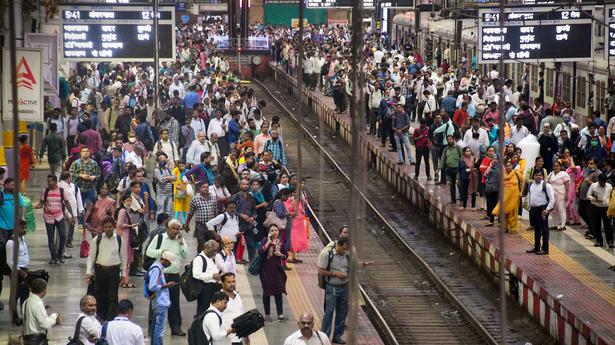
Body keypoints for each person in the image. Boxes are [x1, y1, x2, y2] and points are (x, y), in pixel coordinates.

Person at [145, 219, 189, 336]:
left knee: (174, 302)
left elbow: (186, 255)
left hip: (174, 276)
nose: (175, 231)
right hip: (159, 275)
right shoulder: (159, 238)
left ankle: (176, 327)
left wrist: (181, 243)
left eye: (178, 229)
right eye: (173, 228)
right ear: (168, 228)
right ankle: (152, 328)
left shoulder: (180, 240)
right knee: (155, 302)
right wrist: (161, 252)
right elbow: (149, 252)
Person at [86, 216, 127, 321]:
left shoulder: (118, 239)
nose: (108, 229)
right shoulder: (97, 240)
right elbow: (91, 257)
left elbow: (123, 256)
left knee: (113, 297)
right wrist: (89, 272)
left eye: (110, 227)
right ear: (103, 228)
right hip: (100, 271)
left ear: (113, 227)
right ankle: (101, 317)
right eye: (106, 227)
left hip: (114, 271)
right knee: (101, 295)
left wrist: (124, 274)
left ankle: (111, 319)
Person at [34, 174, 75, 265]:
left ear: (55, 181)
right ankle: (53, 257)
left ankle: (59, 255)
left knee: (63, 236)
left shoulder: (61, 191)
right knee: (51, 239)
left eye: (50, 181)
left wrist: (72, 215)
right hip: (48, 218)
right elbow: (41, 203)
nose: (48, 183)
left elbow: (67, 203)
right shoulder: (45, 191)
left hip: (59, 217)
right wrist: (35, 206)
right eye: (48, 181)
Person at [318, 237, 349, 344]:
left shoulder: (347, 255)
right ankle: (324, 337)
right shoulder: (327, 254)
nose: (345, 251)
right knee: (329, 312)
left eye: (346, 249)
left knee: (342, 313)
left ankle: (337, 336)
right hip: (332, 287)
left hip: (344, 287)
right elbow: (321, 271)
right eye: (344, 249)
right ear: (338, 246)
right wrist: (336, 274)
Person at [259, 224, 288, 322]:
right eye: (272, 230)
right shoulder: (265, 241)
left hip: (277, 270)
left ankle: (280, 314)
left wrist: (281, 255)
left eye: (276, 230)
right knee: (266, 291)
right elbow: (260, 251)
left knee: (278, 291)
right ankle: (267, 314)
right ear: (269, 232)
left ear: (279, 231)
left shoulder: (281, 243)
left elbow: (286, 256)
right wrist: (268, 242)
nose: (274, 232)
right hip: (265, 271)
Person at [147, 250, 178, 345]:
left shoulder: (157, 267)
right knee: (159, 329)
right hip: (160, 302)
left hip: (160, 302)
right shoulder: (157, 269)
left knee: (158, 327)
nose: (169, 265)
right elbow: (152, 286)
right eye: (169, 263)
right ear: (165, 260)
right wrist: (166, 285)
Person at [6, 220, 30, 325]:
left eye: (25, 228)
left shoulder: (22, 239)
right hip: (17, 272)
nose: (24, 230)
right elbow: (10, 261)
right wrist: (20, 272)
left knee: (25, 295)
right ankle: (14, 317)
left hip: (25, 270)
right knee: (15, 295)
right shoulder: (11, 242)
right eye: (22, 228)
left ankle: (25, 316)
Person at [22, 278, 61, 344]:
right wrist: (54, 316)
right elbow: (45, 324)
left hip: (27, 340)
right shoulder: (38, 303)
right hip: (37, 340)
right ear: (44, 290)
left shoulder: (25, 302)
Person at [526, 170, 555, 255]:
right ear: (533, 176)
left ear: (542, 176)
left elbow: (552, 199)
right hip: (533, 209)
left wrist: (547, 209)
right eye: (536, 175)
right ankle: (536, 247)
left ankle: (545, 249)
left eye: (540, 175)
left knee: (544, 229)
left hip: (543, 209)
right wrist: (529, 206)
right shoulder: (531, 184)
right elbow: (529, 195)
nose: (538, 177)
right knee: (536, 229)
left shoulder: (546, 185)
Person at [185, 181, 219, 252]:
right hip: (200, 226)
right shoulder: (195, 199)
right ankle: (200, 260)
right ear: (199, 189)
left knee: (211, 245)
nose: (206, 189)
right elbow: (190, 213)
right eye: (204, 187)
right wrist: (187, 224)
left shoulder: (213, 198)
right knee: (202, 245)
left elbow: (216, 212)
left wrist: (217, 226)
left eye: (207, 187)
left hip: (211, 226)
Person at [493, 160, 525, 233]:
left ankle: (513, 228)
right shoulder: (502, 174)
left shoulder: (516, 172)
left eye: (509, 165)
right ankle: (505, 227)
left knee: (513, 212)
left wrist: (521, 192)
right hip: (505, 196)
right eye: (507, 166)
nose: (508, 167)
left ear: (512, 166)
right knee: (504, 212)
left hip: (514, 196)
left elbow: (523, 181)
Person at [193, 239, 223, 316]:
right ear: (207, 248)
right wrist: (212, 276)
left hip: (213, 288)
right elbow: (196, 274)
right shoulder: (199, 259)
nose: (215, 253)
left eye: (216, 251)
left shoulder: (210, 258)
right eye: (214, 250)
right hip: (205, 288)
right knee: (203, 311)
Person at [220, 272, 250, 345]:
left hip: (238, 337)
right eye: (229, 282)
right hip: (226, 339)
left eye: (233, 281)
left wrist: (246, 334)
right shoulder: (219, 298)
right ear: (222, 283)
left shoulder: (236, 295)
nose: (232, 284)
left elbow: (242, 315)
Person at [587, 174, 614, 248]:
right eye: (601, 182)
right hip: (596, 207)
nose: (602, 184)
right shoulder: (593, 186)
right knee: (597, 225)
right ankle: (599, 241)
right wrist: (594, 199)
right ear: (598, 181)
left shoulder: (609, 186)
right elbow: (588, 195)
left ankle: (610, 242)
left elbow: (612, 196)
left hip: (606, 208)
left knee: (608, 226)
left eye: (604, 182)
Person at [58, 171, 84, 249]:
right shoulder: (59, 186)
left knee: (71, 227)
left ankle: (69, 240)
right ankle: (63, 243)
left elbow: (78, 199)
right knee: (63, 229)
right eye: (71, 177)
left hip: (73, 211)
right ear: (68, 177)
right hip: (63, 212)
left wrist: (80, 210)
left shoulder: (74, 187)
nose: (71, 178)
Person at [546, 161, 570, 231]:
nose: (556, 167)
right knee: (553, 210)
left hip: (561, 194)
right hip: (552, 194)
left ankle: (563, 225)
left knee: (561, 209)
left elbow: (567, 185)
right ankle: (554, 224)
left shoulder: (564, 174)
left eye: (557, 166)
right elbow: (547, 182)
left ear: (560, 167)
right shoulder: (551, 174)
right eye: (554, 166)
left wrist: (566, 195)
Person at [439, 135, 463, 204]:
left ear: (453, 139)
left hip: (457, 169)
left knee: (459, 184)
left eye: (450, 139)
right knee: (451, 185)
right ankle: (453, 200)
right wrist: (439, 169)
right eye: (448, 140)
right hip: (449, 169)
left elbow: (462, 158)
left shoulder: (458, 148)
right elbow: (443, 159)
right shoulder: (446, 149)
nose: (449, 141)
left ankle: (462, 199)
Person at [153, 152, 177, 216]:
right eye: (161, 160)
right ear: (158, 161)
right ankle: (160, 224)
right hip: (161, 194)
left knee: (168, 211)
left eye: (164, 160)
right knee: (160, 211)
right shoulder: (157, 170)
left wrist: (166, 178)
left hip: (169, 194)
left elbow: (175, 177)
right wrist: (169, 178)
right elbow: (161, 180)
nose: (163, 162)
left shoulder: (169, 169)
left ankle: (167, 224)